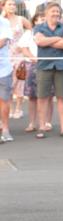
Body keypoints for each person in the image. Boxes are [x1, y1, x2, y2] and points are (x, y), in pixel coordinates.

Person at [33, 3, 63, 138]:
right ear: (46, 14)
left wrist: (47, 40)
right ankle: (42, 127)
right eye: (53, 11)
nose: (56, 14)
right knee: (42, 97)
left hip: (62, 66)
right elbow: (39, 42)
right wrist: (57, 39)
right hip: (44, 66)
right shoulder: (39, 27)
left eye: (58, 12)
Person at [1, 0, 30, 120]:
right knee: (9, 83)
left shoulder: (21, 19)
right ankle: (10, 108)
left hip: (19, 54)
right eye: (9, 4)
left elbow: (31, 30)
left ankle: (18, 108)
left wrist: (24, 43)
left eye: (13, 4)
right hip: (6, 55)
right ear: (3, 6)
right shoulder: (2, 21)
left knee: (20, 80)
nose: (12, 6)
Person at [0, 9, 12, 142]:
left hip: (3, 69)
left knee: (4, 100)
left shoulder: (4, 23)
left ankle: (5, 129)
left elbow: (2, 42)